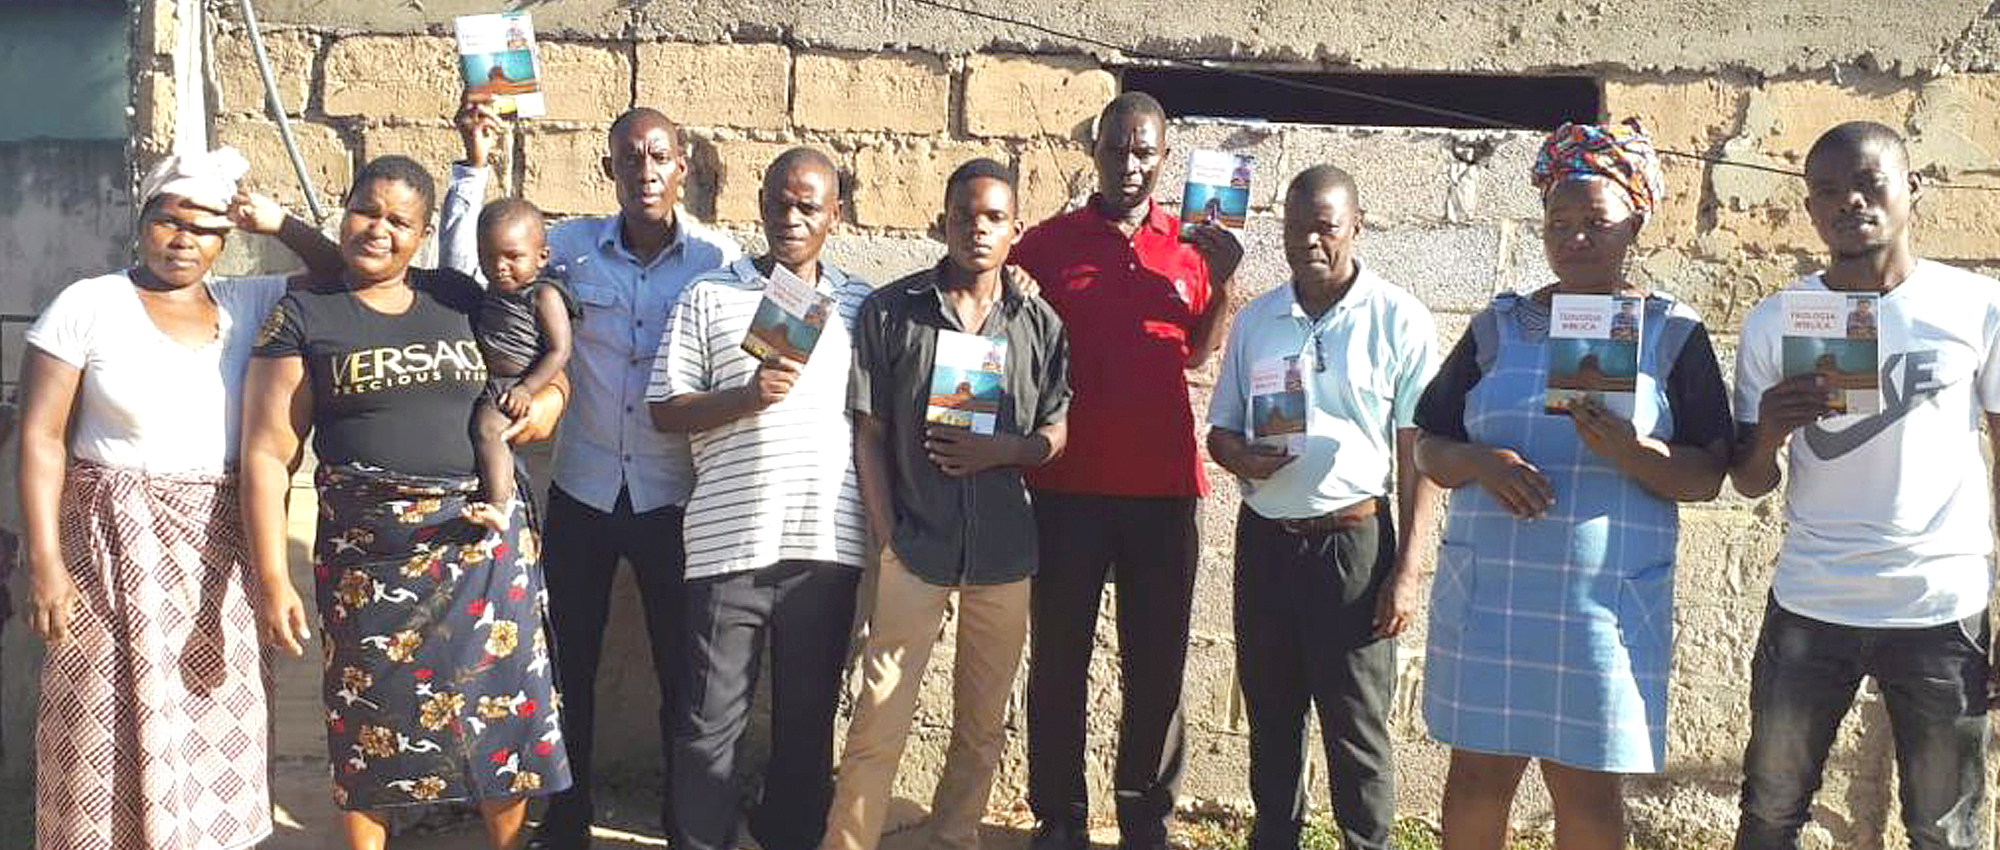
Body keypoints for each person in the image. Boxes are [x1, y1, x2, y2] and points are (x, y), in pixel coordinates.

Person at [1412, 121, 1733, 850]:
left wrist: (1634, 453)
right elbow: (1429, 442)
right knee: (1475, 783)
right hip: (1493, 598)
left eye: (1596, 222)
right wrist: (1479, 465)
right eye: (1559, 222)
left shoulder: (1671, 333)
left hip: (1600, 609)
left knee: (1585, 791)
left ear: (1637, 224)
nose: (1575, 237)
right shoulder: (1499, 328)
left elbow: (1710, 472)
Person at [240, 155, 572, 850]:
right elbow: (270, 453)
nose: (380, 230)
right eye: (368, 211)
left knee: (499, 715)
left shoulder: (455, 295)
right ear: (346, 209)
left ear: (421, 234)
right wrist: (271, 578)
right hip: (372, 560)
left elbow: (534, 356)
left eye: (400, 221)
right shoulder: (304, 314)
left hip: (481, 545)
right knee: (369, 723)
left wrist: (548, 400)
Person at [20, 147, 340, 850]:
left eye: (204, 228)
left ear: (226, 241)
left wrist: (276, 221)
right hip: (107, 552)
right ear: (143, 224)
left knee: (209, 719)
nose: (183, 240)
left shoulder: (247, 303)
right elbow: (41, 437)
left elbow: (345, 274)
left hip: (215, 562)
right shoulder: (88, 304)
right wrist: (44, 562)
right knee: (96, 723)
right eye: (169, 221)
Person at [447, 95, 740, 848]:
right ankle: (566, 818)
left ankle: (688, 823)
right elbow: (472, 271)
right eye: (630, 156)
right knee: (565, 662)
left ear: (682, 166)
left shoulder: (718, 261)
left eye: (659, 155)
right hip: (580, 489)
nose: (645, 168)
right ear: (609, 167)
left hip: (673, 497)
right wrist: (474, 166)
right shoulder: (567, 248)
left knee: (685, 673)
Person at [1729, 121, 2000, 850]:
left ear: (1912, 188)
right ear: (1811, 212)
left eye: (1869, 181)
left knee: (1945, 829)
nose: (1850, 201)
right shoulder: (1775, 322)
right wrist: (1767, 432)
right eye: (1827, 191)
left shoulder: (1978, 307)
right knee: (1771, 812)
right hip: (1813, 601)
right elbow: (1751, 483)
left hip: (1941, 606)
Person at [1008, 90, 1242, 850]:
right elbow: (1003, 319)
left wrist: (1227, 283)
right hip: (1066, 489)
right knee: (1060, 662)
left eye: (1145, 152)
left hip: (1165, 490)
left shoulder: (1193, 249)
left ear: (1165, 159)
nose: (1131, 165)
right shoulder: (1046, 244)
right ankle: (1060, 818)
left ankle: (1146, 820)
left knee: (1157, 668)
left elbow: (1200, 350)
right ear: (1096, 152)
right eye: (1118, 150)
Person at [821, 158, 1072, 850]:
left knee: (984, 721)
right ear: (943, 221)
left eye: (993, 217)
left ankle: (956, 836)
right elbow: (867, 431)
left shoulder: (1039, 323)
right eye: (965, 215)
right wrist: (887, 533)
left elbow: (1057, 432)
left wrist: (1005, 452)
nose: (977, 229)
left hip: (1002, 551)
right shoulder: (892, 311)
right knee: (878, 716)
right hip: (917, 544)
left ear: (1015, 230)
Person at [1205, 165, 1439, 850]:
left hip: (1353, 545)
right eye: (1296, 227)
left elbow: (1418, 452)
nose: (1310, 240)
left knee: (1355, 726)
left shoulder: (1399, 318)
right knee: (1271, 718)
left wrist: (1407, 570)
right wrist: (1239, 458)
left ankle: (1366, 842)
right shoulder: (1257, 319)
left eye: (1326, 227)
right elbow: (1220, 429)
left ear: (1356, 228)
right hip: (1267, 540)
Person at [646, 147, 872, 850]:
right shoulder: (710, 294)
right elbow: (664, 409)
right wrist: (745, 397)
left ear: (837, 214)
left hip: (826, 548)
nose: (791, 218)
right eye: (779, 202)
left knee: (807, 723)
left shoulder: (865, 305)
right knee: (708, 724)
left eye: (809, 206)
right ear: (761, 203)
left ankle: (791, 835)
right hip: (728, 542)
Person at [463, 198, 576, 532]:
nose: (499, 266)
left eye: (512, 257)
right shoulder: (491, 292)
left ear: (542, 257)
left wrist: (528, 389)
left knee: (488, 430)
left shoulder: (543, 296)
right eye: (489, 257)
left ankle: (499, 504)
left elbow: (559, 350)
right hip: (491, 381)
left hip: (514, 385)